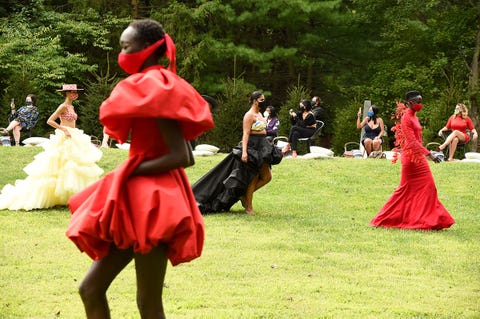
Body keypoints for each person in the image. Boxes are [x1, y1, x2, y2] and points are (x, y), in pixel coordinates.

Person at [65, 19, 214, 319]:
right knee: (90, 289)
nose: (121, 53)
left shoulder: (155, 89)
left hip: (155, 203)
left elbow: (182, 155)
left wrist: (131, 171)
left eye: (125, 47)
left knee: (147, 301)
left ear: (147, 49)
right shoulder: (148, 85)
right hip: (138, 198)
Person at [0, 85, 103, 210]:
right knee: (60, 164)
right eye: (72, 92)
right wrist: (63, 129)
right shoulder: (63, 106)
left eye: (76, 92)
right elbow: (50, 120)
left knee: (74, 165)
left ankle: (72, 196)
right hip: (64, 135)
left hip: (73, 135)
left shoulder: (72, 106)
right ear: (66, 94)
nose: (75, 94)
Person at [370, 90, 455, 230]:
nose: (421, 104)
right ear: (410, 103)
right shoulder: (406, 118)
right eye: (418, 101)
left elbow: (418, 140)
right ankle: (382, 219)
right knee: (405, 190)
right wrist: (430, 154)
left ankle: (428, 220)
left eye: (421, 101)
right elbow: (412, 141)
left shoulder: (414, 116)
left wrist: (425, 154)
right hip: (411, 159)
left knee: (427, 188)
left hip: (418, 157)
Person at [193, 91, 279, 215]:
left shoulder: (260, 113)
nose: (264, 102)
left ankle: (244, 196)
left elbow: (264, 131)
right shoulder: (249, 115)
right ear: (255, 100)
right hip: (252, 147)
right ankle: (249, 206)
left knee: (267, 177)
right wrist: (244, 152)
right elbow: (245, 134)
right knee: (253, 177)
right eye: (261, 99)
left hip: (263, 147)